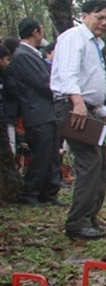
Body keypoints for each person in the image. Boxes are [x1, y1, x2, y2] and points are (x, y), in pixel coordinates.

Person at [50, 0, 106, 240]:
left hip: (88, 108)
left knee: (99, 163)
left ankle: (90, 217)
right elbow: (68, 73)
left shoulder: (95, 44)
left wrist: (105, 115)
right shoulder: (74, 37)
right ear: (84, 16)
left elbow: (91, 85)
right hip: (73, 107)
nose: (104, 22)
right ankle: (77, 222)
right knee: (89, 162)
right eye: (99, 17)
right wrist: (77, 102)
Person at [8, 18, 64, 206]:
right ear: (35, 32)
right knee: (41, 155)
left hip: (47, 112)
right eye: (41, 30)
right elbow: (43, 82)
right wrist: (60, 89)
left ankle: (50, 192)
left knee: (52, 155)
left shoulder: (33, 54)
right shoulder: (22, 55)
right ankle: (30, 193)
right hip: (36, 112)